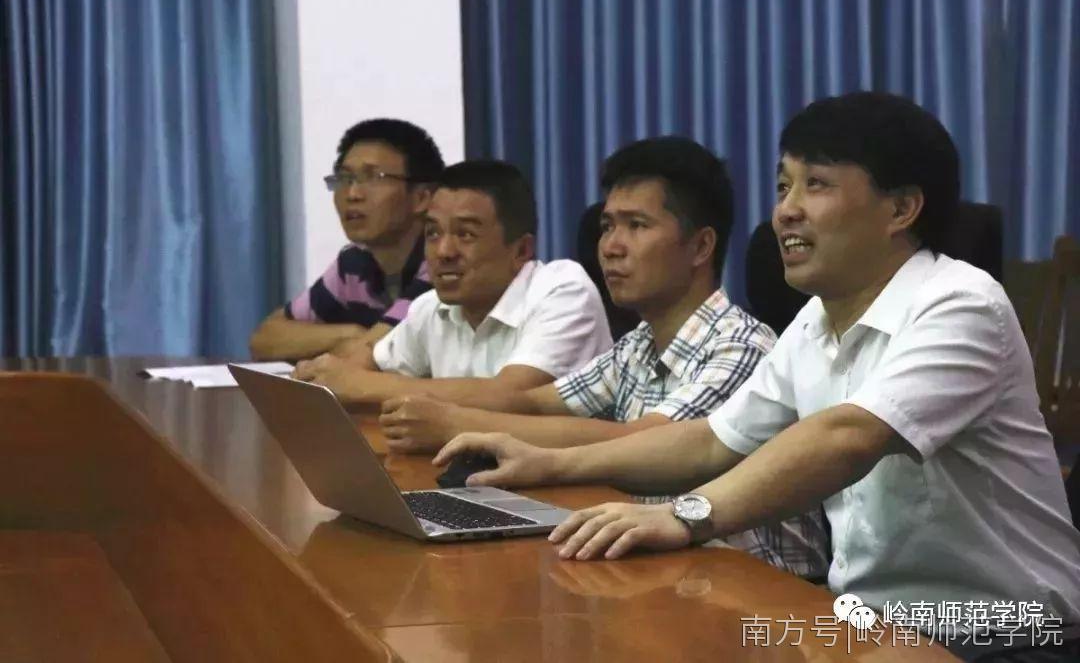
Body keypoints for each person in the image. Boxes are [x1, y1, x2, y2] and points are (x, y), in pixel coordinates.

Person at [434, 92, 1080, 630]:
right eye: (782, 185)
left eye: (816, 184)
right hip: (869, 625)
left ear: (901, 208)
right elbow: (711, 440)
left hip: (1004, 632)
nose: (785, 210)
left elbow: (848, 436)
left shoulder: (961, 302)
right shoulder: (815, 322)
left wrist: (683, 514)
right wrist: (545, 462)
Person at [380, 136, 828, 579]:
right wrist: (434, 410)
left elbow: (644, 440)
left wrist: (456, 424)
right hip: (672, 568)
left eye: (637, 225)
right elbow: (535, 401)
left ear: (700, 247)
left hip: (759, 586)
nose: (611, 246)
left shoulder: (741, 345)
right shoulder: (637, 344)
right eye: (608, 226)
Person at [293, 159, 612, 405]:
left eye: (466, 234)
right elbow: (363, 365)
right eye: (433, 233)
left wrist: (361, 385)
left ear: (521, 250)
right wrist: (321, 377)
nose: (443, 252)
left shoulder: (563, 289)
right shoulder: (430, 307)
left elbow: (510, 396)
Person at [249, 118, 443, 361]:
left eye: (374, 178)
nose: (352, 194)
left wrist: (360, 342)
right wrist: (349, 334)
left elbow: (376, 352)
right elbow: (265, 339)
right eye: (344, 179)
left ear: (422, 198)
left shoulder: (442, 263)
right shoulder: (354, 263)